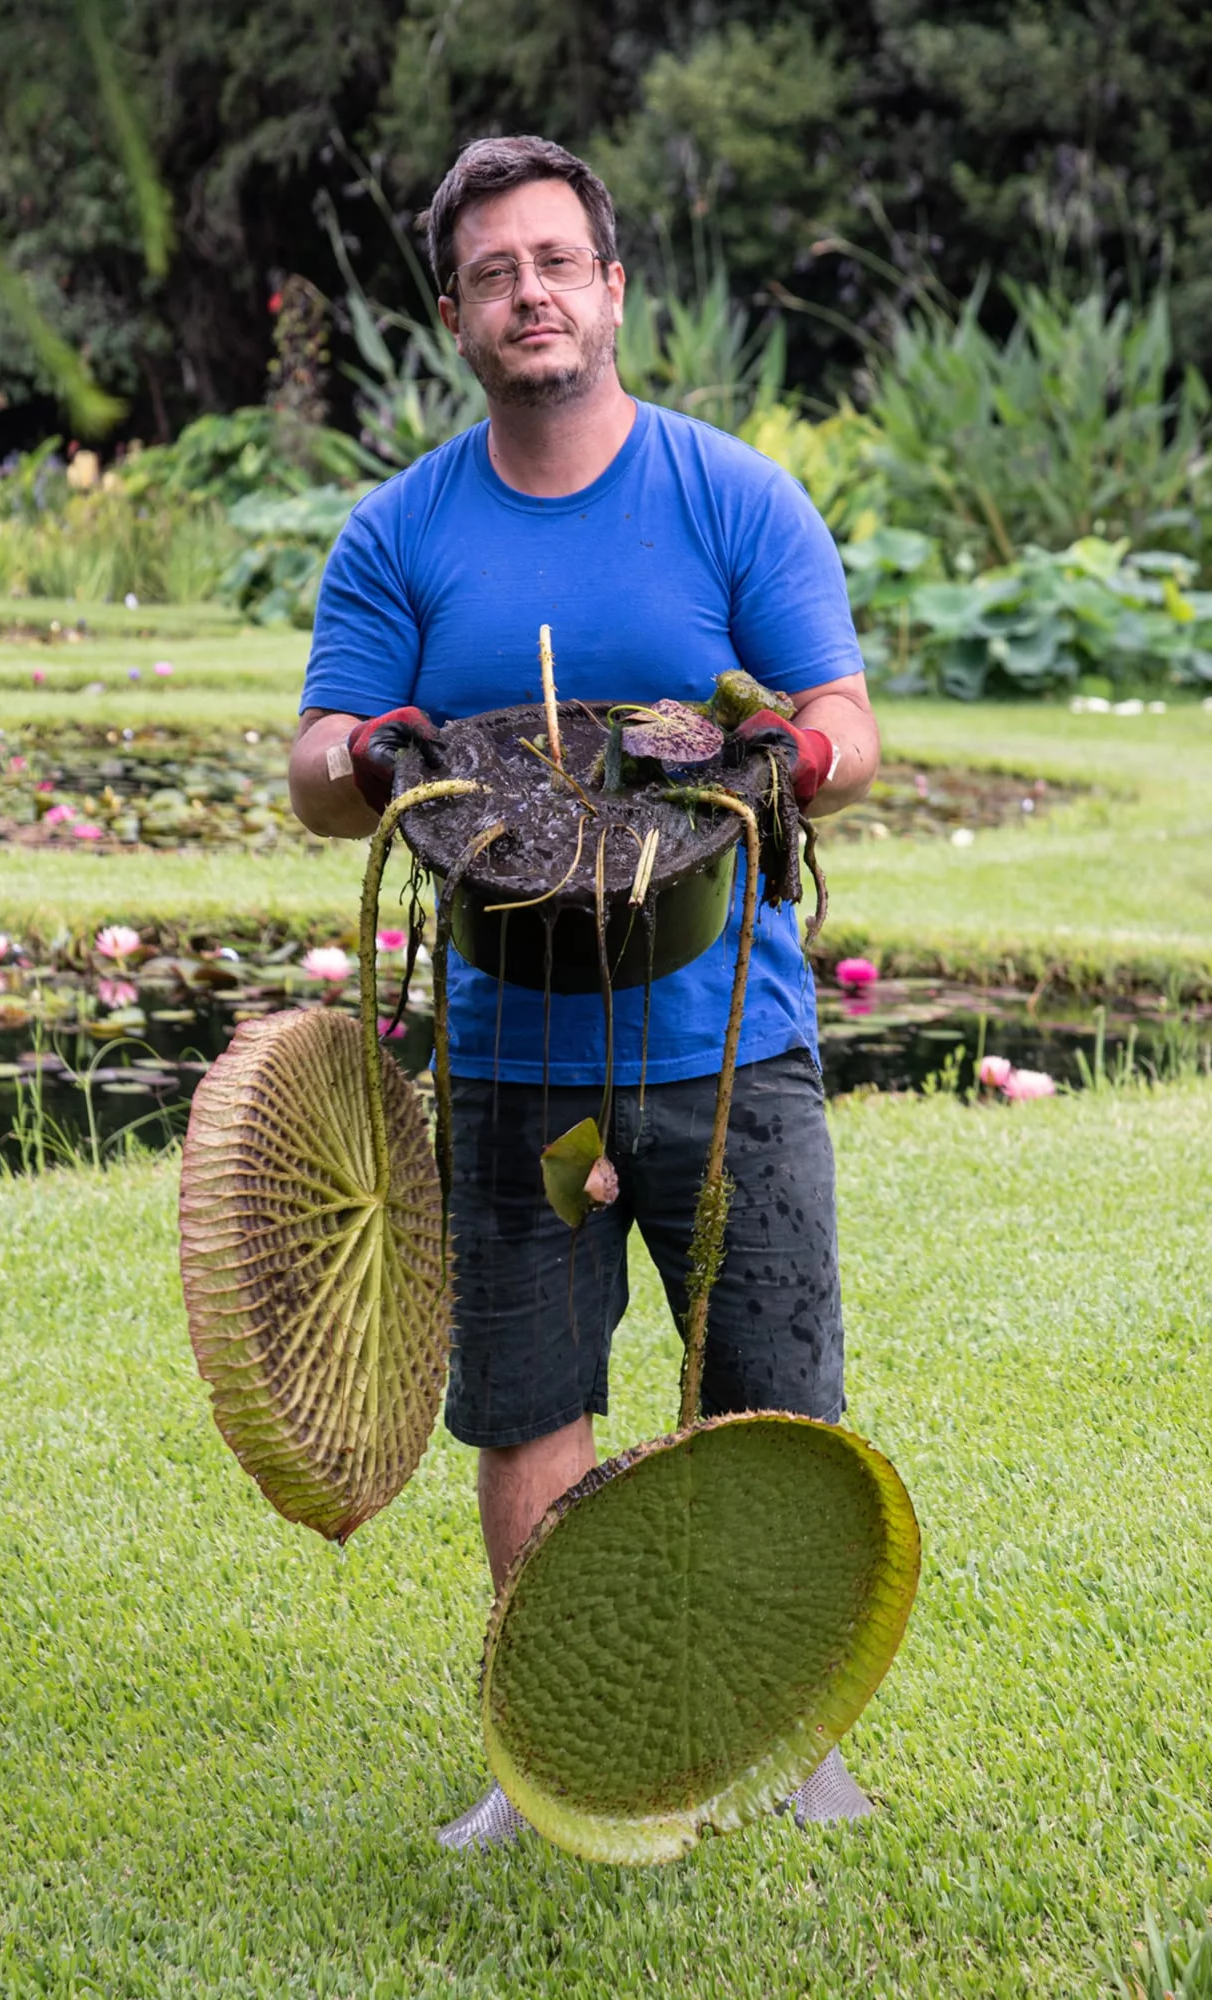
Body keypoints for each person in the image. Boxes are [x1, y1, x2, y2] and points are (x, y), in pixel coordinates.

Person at [289, 135, 882, 1851]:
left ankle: (780, 1740)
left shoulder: (731, 498)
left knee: (767, 1397)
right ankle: (550, 1747)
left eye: (558, 260)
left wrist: (800, 743)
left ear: (611, 288)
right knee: (533, 1402)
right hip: (506, 1044)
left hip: (733, 1039)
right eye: (494, 271)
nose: (529, 291)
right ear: (460, 313)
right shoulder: (401, 532)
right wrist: (370, 746)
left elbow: (846, 726)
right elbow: (323, 767)